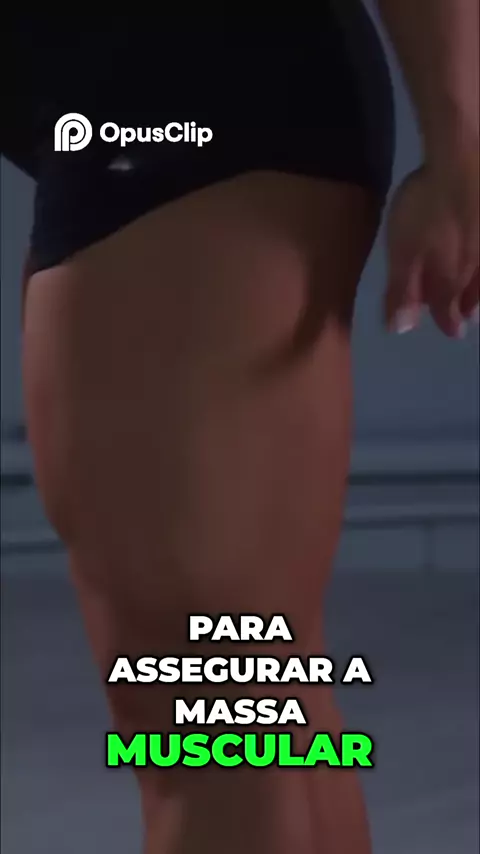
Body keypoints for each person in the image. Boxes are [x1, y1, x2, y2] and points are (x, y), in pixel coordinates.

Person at [2, 3, 478, 852]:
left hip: (186, 84)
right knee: (253, 696)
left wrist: (459, 147)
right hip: (139, 98)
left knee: (209, 699)